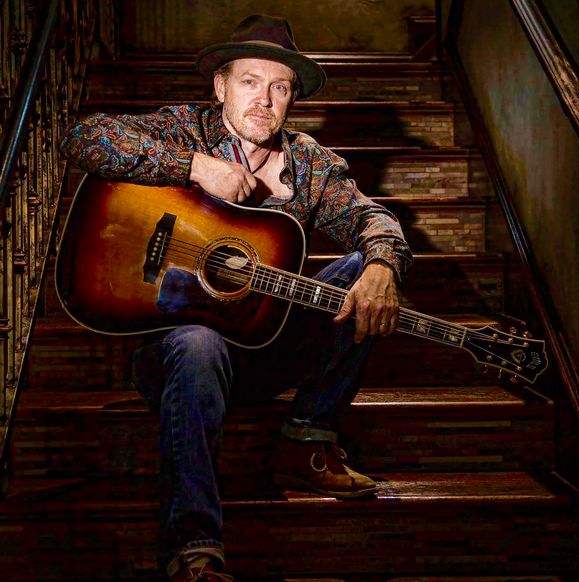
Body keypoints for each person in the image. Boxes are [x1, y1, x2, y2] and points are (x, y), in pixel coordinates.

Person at [61, 14, 412, 582]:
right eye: (250, 82)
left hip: (262, 350)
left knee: (360, 274)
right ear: (221, 86)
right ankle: (193, 548)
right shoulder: (185, 130)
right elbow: (85, 137)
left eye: (280, 87)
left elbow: (372, 217)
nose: (264, 100)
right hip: (177, 358)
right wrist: (194, 166)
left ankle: (308, 439)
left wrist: (382, 263)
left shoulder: (308, 163)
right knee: (198, 341)